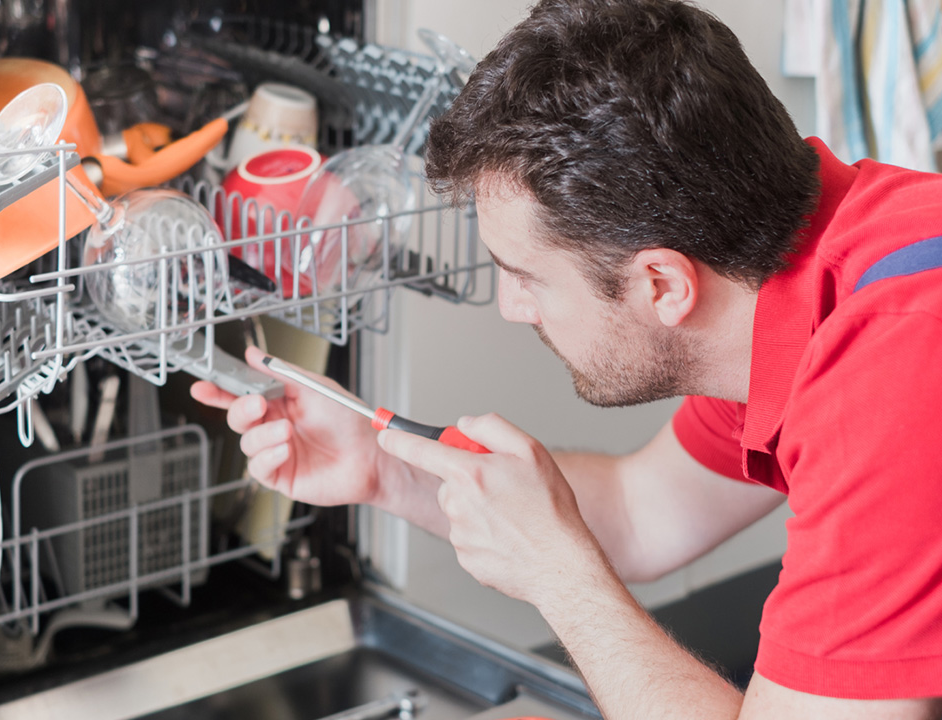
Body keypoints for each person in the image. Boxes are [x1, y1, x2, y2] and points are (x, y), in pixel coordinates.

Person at [192, 0, 942, 717]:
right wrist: (384, 464)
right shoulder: (789, 269)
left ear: (661, 284)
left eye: (525, 276)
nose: (511, 308)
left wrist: (562, 581)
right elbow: (642, 513)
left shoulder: (889, 373)